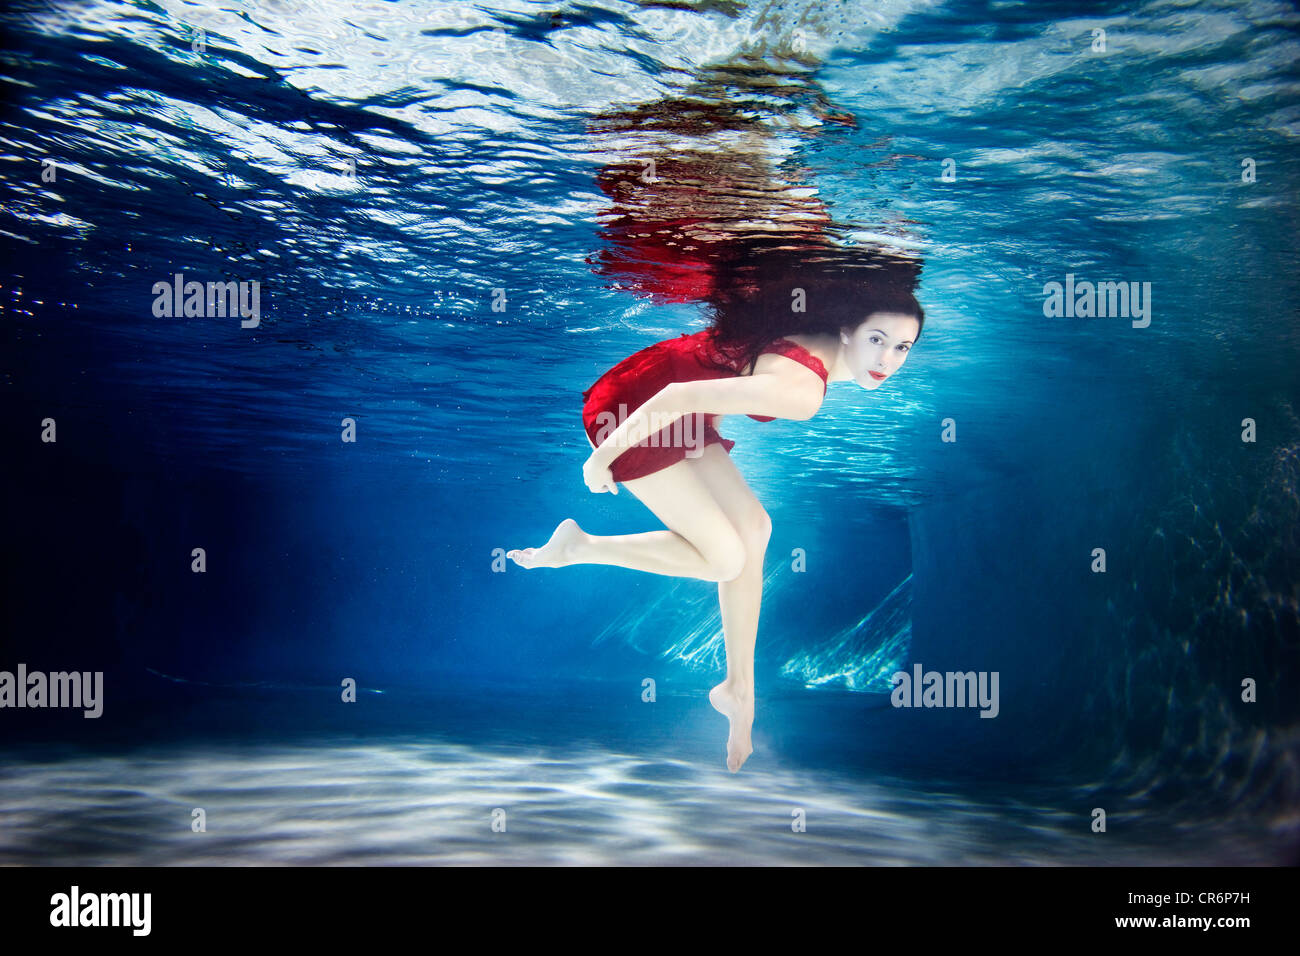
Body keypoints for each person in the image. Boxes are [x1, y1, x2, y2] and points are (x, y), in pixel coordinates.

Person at [508, 260, 925, 773]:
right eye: (877, 340)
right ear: (847, 331)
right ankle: (579, 548)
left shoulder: (818, 337)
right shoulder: (803, 393)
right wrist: (600, 460)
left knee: (755, 528)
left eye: (902, 347)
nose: (887, 359)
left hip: (671, 407)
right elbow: (680, 394)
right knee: (724, 560)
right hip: (630, 412)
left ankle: (738, 693)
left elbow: (708, 376)